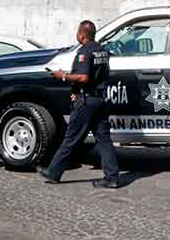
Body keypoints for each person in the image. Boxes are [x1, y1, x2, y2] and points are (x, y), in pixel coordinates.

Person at [39, 20, 121, 188]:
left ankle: (53, 172)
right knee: (104, 140)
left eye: (77, 32)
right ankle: (112, 177)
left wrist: (62, 76)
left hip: (86, 101)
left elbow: (84, 77)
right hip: (100, 100)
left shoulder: (84, 51)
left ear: (82, 34)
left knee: (70, 138)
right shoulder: (102, 51)